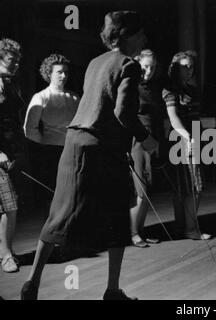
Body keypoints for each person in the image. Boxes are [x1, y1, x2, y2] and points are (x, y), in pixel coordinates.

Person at [21, 11, 150, 300]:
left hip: (81, 146)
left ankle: (34, 284)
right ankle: (109, 290)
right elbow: (123, 113)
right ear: (127, 34)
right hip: (94, 149)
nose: (144, 38)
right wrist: (148, 139)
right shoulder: (128, 64)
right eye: (140, 33)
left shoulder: (95, 62)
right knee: (105, 216)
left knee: (65, 214)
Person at [163, 51, 211, 240]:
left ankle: (183, 227)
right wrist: (188, 137)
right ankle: (190, 229)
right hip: (181, 139)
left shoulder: (192, 89)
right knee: (192, 185)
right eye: (184, 66)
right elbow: (174, 119)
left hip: (194, 137)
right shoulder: (170, 90)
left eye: (191, 66)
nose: (189, 69)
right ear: (175, 68)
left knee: (188, 186)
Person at [24, 54, 80, 196]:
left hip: (72, 151)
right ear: (49, 73)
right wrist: (45, 143)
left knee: (71, 192)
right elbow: (29, 128)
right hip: (50, 153)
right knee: (52, 193)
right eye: (59, 72)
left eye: (66, 72)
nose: (63, 76)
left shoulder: (74, 97)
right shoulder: (41, 97)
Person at [129, 49, 164, 248]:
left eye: (152, 67)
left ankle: (141, 231)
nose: (148, 70)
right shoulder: (131, 86)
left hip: (152, 140)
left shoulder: (152, 88)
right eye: (145, 66)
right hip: (136, 141)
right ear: (137, 65)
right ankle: (133, 233)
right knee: (140, 191)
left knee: (147, 191)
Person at [0, 38, 25, 273]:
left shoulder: (10, 83)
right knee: (9, 206)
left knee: (11, 205)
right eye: (11, 59)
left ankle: (6, 251)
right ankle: (6, 255)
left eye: (18, 59)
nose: (16, 63)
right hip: (0, 155)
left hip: (12, 152)